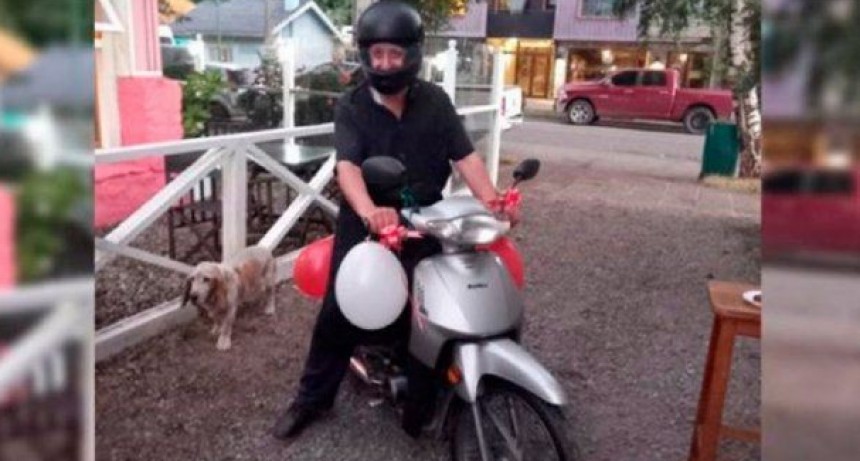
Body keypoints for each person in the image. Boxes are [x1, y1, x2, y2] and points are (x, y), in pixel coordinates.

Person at [272, 0, 511, 441]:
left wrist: (494, 200)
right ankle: (311, 399)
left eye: (394, 54)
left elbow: (467, 157)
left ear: (412, 54)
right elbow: (348, 167)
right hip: (368, 220)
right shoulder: (352, 106)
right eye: (376, 53)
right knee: (338, 313)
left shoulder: (436, 102)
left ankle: (426, 391)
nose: (384, 63)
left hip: (425, 218)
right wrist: (370, 212)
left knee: (434, 304)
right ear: (366, 55)